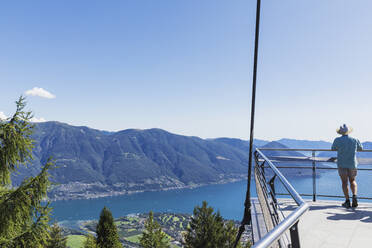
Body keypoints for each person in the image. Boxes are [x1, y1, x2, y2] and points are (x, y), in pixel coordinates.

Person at [331, 124, 363, 208]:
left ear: (340, 132)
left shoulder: (337, 140)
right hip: (352, 163)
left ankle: (347, 201)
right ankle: (355, 196)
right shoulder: (355, 139)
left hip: (342, 163)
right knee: (352, 180)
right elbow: (361, 148)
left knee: (344, 182)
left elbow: (333, 148)